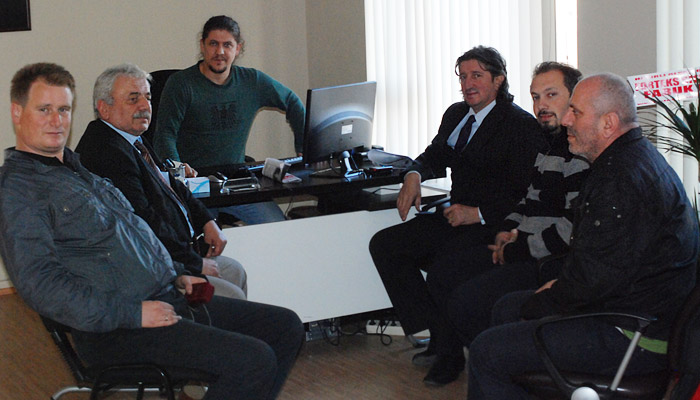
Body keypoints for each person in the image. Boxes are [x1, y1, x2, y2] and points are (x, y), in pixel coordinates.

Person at [0, 62, 304, 399]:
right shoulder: (20, 191)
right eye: (44, 110)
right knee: (253, 360)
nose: (57, 121)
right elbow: (42, 284)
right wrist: (133, 313)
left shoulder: (75, 170)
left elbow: (133, 234)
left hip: (165, 295)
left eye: (63, 109)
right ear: (17, 112)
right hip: (118, 330)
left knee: (286, 327)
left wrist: (175, 272)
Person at [467, 73, 699, 399]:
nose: (566, 120)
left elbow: (595, 280)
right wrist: (557, 289)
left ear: (608, 123)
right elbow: (602, 266)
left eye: (575, 112)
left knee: (487, 350)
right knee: (507, 307)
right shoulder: (630, 159)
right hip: (629, 311)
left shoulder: (621, 181)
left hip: (633, 334)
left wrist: (546, 299)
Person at [368, 46, 545, 386]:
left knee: (445, 269)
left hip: (493, 222)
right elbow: (436, 154)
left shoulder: (519, 125)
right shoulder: (456, 114)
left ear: (498, 79)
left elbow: (524, 192)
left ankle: (450, 356)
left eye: (477, 75)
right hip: (455, 213)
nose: (468, 84)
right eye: (463, 77)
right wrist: (414, 174)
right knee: (387, 245)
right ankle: (436, 331)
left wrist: (477, 213)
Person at [421, 62, 589, 379]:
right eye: (536, 97)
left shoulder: (580, 151)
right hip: (519, 241)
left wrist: (514, 248)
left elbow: (572, 229)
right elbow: (528, 198)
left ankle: (504, 368)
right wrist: (507, 230)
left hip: (545, 258)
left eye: (551, 95)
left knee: (466, 302)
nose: (541, 105)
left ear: (575, 99)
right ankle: (462, 358)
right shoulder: (550, 145)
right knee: (443, 273)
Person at [75, 63, 247, 300]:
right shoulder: (107, 151)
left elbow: (171, 185)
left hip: (174, 254)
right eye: (133, 99)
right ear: (104, 108)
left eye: (147, 97)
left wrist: (207, 221)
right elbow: (143, 222)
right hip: (150, 271)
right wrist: (193, 262)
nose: (144, 106)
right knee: (233, 295)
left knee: (235, 271)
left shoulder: (131, 139)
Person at [153, 15, 305, 225]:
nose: (220, 52)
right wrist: (179, 172)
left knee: (278, 228)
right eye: (213, 44)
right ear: (202, 45)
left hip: (235, 183)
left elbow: (292, 101)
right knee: (201, 238)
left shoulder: (252, 81)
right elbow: (165, 135)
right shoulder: (181, 85)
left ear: (238, 48)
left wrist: (303, 146)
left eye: (227, 45)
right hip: (195, 187)